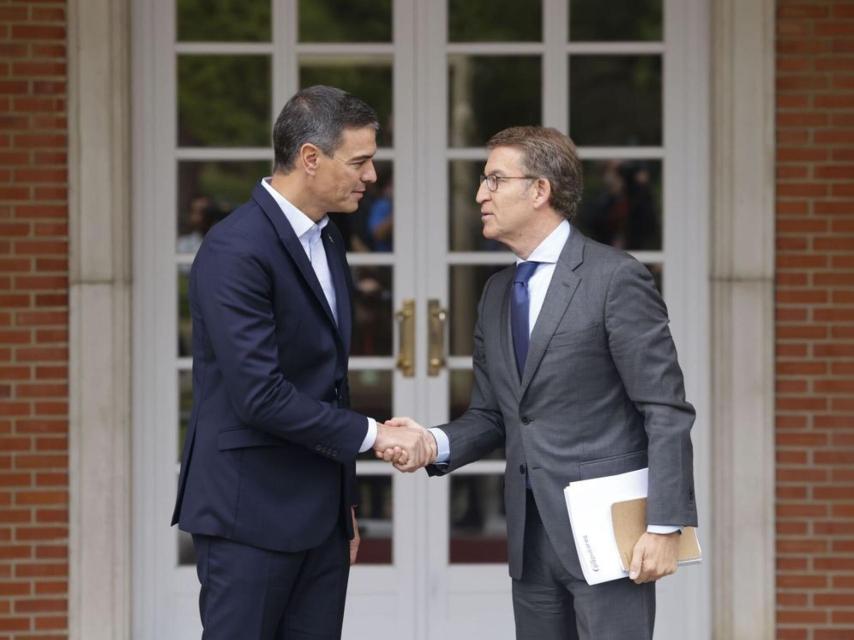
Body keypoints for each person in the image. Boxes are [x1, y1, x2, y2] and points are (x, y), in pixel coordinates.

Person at [382, 126, 697, 640]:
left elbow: (665, 410)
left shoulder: (615, 278)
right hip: (530, 540)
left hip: (611, 538)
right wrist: (430, 443)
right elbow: (493, 415)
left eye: (494, 180)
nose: (480, 194)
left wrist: (664, 527)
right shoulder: (497, 293)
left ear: (540, 190)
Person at [171, 85, 433, 640]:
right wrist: (374, 435)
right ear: (310, 159)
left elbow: (328, 384)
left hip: (320, 519)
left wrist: (345, 506)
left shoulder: (329, 239)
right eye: (359, 161)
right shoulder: (234, 249)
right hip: (250, 515)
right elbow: (260, 394)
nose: (371, 177)